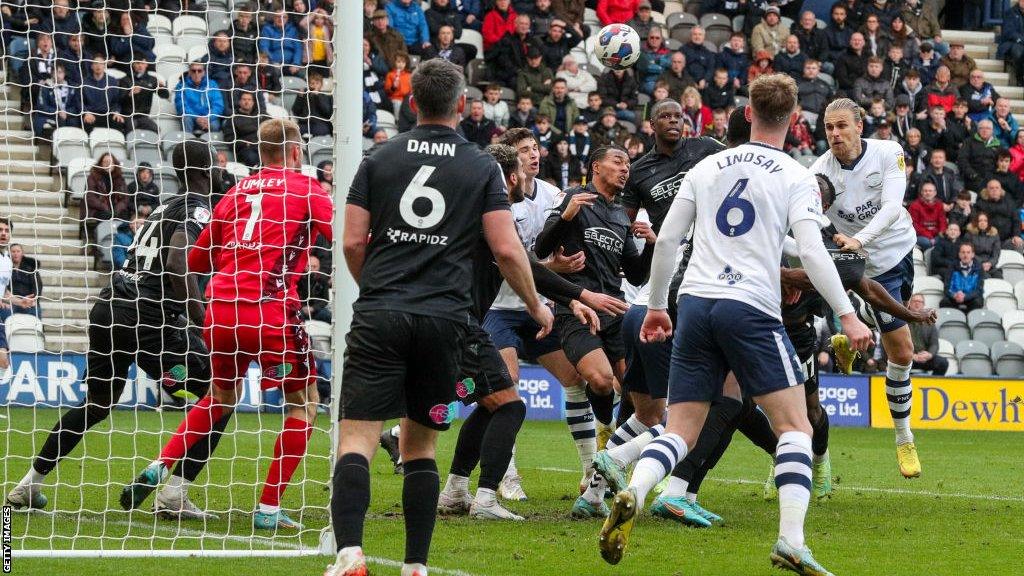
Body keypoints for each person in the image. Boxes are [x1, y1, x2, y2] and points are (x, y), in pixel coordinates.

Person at [599, 74, 871, 574]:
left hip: (697, 302)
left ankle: (633, 489)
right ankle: (791, 539)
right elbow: (811, 250)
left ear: (747, 112)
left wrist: (658, 305)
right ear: (794, 119)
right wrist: (848, 316)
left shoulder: (706, 166)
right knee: (794, 426)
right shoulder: (795, 174)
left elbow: (665, 242)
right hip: (749, 305)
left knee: (680, 427)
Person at [326, 59, 550, 576]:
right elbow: (507, 249)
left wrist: (379, 290)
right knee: (421, 442)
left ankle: (350, 554)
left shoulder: (378, 157)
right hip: (446, 318)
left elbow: (354, 241)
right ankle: (416, 565)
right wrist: (537, 304)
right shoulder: (480, 166)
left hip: (381, 310)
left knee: (356, 437)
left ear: (411, 102)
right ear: (463, 107)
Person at [120, 120, 333, 531]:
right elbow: (343, 235)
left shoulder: (237, 191)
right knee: (303, 403)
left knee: (219, 396)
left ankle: (159, 464)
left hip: (221, 310)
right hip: (271, 312)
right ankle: (269, 508)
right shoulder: (307, 188)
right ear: (294, 151)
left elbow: (198, 261)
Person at [5, 142, 223, 519]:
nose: (222, 170)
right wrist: (200, 319)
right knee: (220, 393)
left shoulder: (163, 206)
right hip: (150, 319)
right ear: (206, 170)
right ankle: (174, 493)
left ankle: (28, 484)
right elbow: (176, 260)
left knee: (98, 403)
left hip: (110, 308)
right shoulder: (197, 208)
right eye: (217, 165)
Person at [434, 142, 625, 521]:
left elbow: (524, 262)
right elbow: (518, 261)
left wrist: (570, 300)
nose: (528, 172)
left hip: (453, 316)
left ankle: (455, 488)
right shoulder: (490, 211)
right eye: (521, 167)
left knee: (492, 402)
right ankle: (487, 496)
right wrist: (579, 294)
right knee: (510, 402)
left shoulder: (475, 206)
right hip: (467, 319)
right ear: (509, 177)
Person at [812, 97, 922, 479]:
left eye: (842, 126)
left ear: (860, 126)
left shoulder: (888, 152)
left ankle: (856, 320)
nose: (835, 134)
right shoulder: (819, 173)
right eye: (829, 127)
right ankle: (903, 437)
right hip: (867, 270)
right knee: (904, 351)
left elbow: (893, 207)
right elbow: (806, 218)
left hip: (903, 251)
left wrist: (860, 238)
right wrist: (834, 237)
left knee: (897, 344)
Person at [174, 63, 225, 136]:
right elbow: (181, 106)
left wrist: (207, 118)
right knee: (186, 119)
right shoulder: (181, 86)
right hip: (191, 118)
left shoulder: (212, 84)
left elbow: (218, 105)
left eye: (199, 71)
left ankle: (211, 147)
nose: (196, 73)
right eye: (193, 71)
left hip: (208, 118)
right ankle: (188, 145)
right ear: (189, 72)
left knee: (215, 125)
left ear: (204, 72)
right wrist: (196, 118)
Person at [907, 294, 949, 375]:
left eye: (920, 302)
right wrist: (911, 355)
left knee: (943, 363)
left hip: (924, 358)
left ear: (923, 305)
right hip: (907, 357)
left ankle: (934, 385)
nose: (917, 303)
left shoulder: (929, 322)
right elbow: (899, 343)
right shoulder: (903, 321)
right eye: (915, 301)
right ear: (909, 303)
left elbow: (934, 344)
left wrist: (929, 354)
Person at [941, 243, 985, 312]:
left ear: (973, 254)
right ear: (959, 254)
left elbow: (979, 290)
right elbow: (946, 288)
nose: (965, 255)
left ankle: (971, 322)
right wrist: (954, 295)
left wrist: (966, 296)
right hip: (955, 297)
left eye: (968, 252)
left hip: (971, 298)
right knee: (945, 302)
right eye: (963, 252)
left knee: (978, 302)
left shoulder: (979, 268)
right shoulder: (952, 267)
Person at [259, 9, 304, 76]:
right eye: (278, 17)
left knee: (302, 73)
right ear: (274, 18)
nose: (281, 19)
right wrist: (272, 62)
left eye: (284, 17)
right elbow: (264, 46)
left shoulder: (292, 30)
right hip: (274, 63)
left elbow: (298, 48)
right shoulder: (267, 29)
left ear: (287, 19)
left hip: (291, 63)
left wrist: (296, 63)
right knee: (274, 73)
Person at [909, 181, 947, 250]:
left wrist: (942, 231)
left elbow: (942, 221)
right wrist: (930, 237)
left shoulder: (939, 204)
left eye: (930, 191)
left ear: (935, 193)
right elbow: (915, 225)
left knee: (945, 239)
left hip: (936, 235)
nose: (928, 193)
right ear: (921, 192)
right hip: (921, 235)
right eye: (925, 191)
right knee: (927, 243)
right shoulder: (915, 205)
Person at [8, 243, 41, 317]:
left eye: (18, 251)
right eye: (13, 252)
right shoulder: (5, 268)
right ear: (9, 254)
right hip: (11, 301)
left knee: (35, 313)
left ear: (22, 253)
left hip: (29, 300)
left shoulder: (30, 268)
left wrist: (33, 299)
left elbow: (37, 285)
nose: (15, 254)